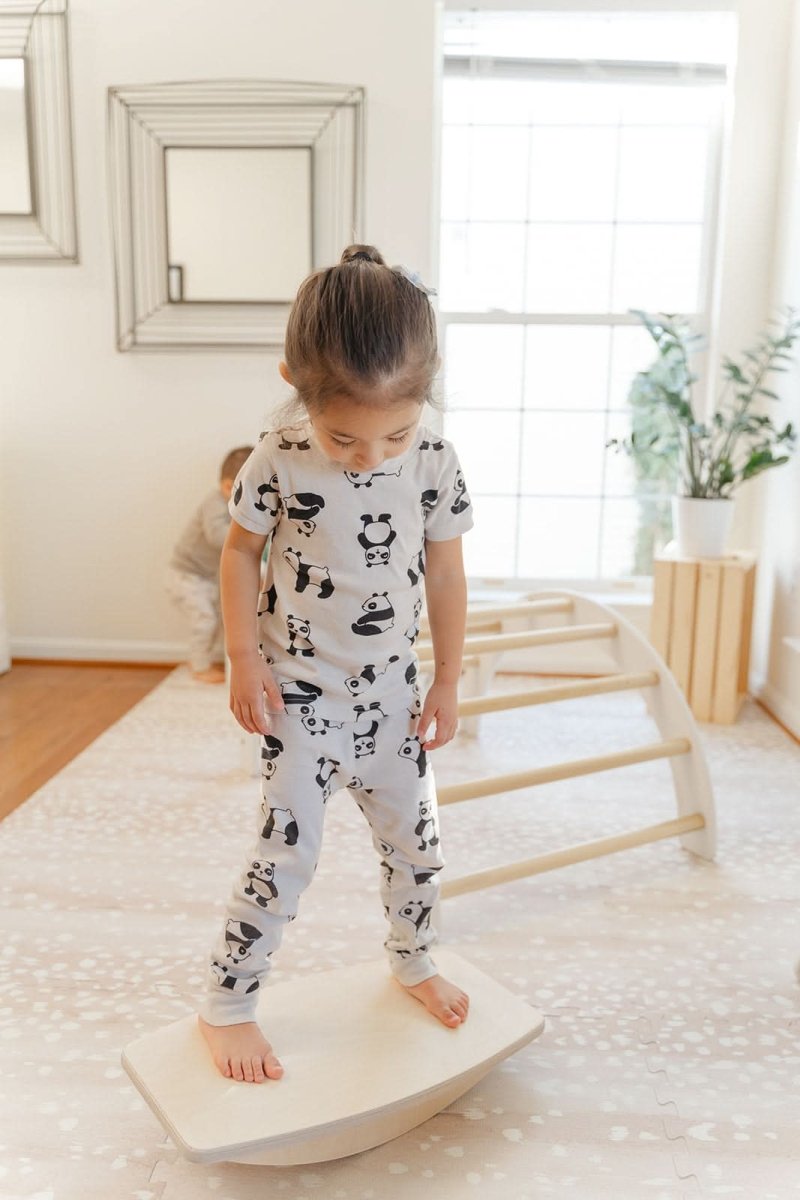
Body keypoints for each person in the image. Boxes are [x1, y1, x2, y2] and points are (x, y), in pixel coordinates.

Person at [198, 245, 473, 1084]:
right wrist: (244, 659)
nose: (371, 454)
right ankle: (228, 1004)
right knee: (288, 853)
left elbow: (448, 569)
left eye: (395, 430)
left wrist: (449, 678)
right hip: (300, 695)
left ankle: (414, 958)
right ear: (296, 385)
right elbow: (241, 553)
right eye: (344, 435)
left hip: (391, 695)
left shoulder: (432, 460)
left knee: (419, 849)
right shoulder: (275, 456)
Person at [165, 446, 253, 683]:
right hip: (187, 575)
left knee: (222, 619)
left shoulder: (237, 506)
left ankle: (216, 660)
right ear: (227, 487)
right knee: (204, 619)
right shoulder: (214, 503)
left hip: (208, 576)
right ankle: (199, 665)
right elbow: (217, 536)